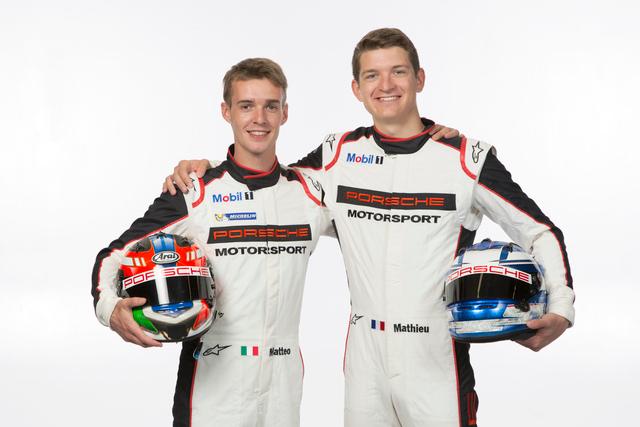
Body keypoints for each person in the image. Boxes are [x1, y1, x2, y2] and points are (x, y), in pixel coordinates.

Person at [164, 28, 575, 427]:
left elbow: (538, 231)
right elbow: (269, 185)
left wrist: (560, 308)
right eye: (372, 75)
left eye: (398, 71)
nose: (386, 85)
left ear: (419, 79)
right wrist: (208, 170)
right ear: (357, 89)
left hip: (435, 353)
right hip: (365, 357)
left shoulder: (466, 158)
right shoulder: (337, 156)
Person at [92, 58, 338, 427]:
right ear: (226, 111)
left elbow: (372, 217)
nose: (259, 118)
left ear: (285, 113)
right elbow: (113, 256)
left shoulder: (309, 194)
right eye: (246, 106)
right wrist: (109, 309)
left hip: (283, 382)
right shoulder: (195, 192)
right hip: (214, 380)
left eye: (271, 106)